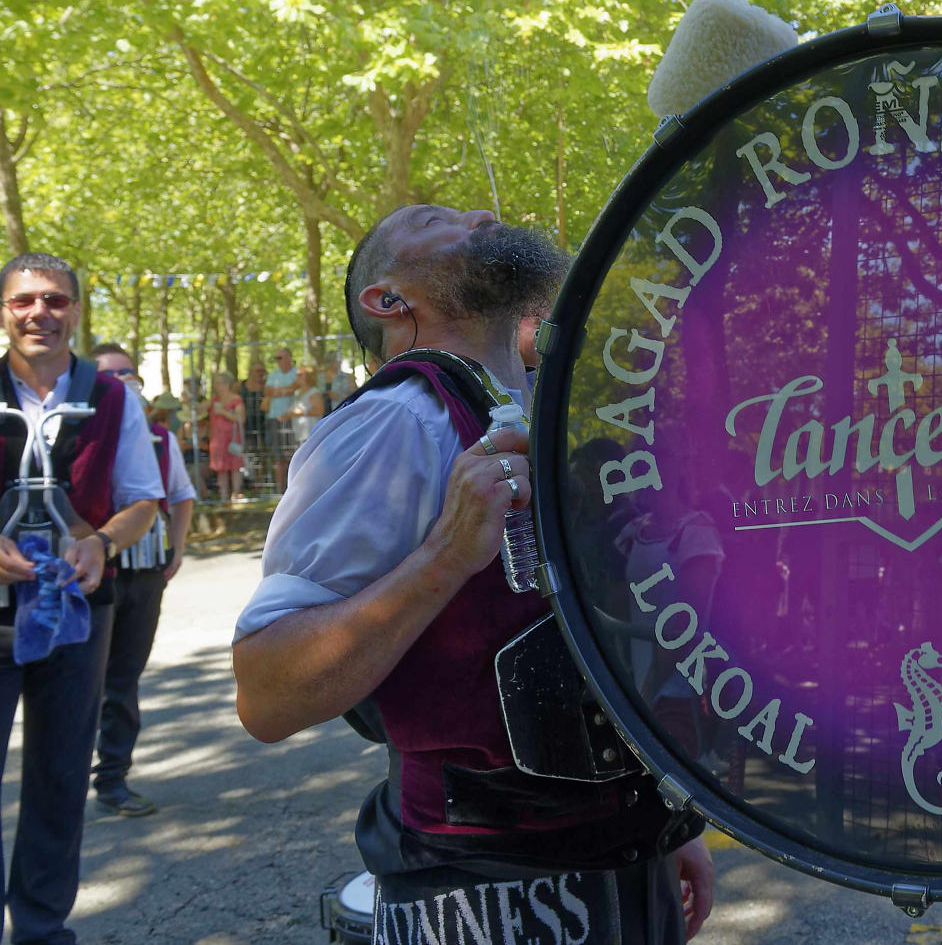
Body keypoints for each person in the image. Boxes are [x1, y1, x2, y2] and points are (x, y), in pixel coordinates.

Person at [231, 206, 712, 944]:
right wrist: (446, 555)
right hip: (479, 891)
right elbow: (267, 693)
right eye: (435, 219)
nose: (481, 213)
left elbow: (597, 654)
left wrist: (669, 824)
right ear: (387, 300)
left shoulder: (540, 408)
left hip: (621, 862)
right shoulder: (395, 422)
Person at [0, 253, 163, 945]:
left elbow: (144, 501)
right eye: (23, 301)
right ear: (1, 312)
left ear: (74, 309)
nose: (38, 313)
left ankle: (43, 931)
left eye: (53, 300)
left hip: (78, 617)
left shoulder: (112, 396)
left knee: (59, 780)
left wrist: (100, 545)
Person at [87, 344, 195, 818]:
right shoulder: (80, 439)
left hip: (145, 574)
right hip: (90, 578)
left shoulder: (159, 438)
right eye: (108, 374)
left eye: (127, 372)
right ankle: (67, 779)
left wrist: (176, 550)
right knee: (80, 681)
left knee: (124, 679)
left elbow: (182, 496)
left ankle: (113, 778)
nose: (120, 381)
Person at [206, 371, 246, 502]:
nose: (215, 386)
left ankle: (235, 494)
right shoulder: (214, 400)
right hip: (217, 439)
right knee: (220, 468)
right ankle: (223, 496)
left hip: (232, 438)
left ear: (226, 384)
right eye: (215, 383)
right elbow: (198, 409)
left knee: (235, 466)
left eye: (218, 383)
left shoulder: (236, 400)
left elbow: (241, 418)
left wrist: (223, 412)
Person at [264, 346, 296, 492]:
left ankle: (292, 487)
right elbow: (268, 391)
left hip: (292, 419)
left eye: (280, 357)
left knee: (292, 454)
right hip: (274, 418)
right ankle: (279, 489)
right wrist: (286, 390)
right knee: (278, 455)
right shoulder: (273, 374)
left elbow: (295, 388)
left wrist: (279, 391)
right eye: (276, 358)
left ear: (289, 358)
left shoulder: (297, 372)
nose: (278, 361)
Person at [287, 363, 325, 456]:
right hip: (299, 433)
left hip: (310, 434)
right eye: (296, 374)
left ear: (308, 376)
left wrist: (301, 412)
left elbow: (319, 411)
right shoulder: (297, 392)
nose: (297, 377)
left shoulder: (313, 393)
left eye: (300, 375)